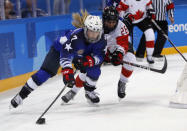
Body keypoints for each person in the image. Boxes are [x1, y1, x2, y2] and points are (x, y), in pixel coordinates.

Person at [10, 14, 106, 108]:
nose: (94, 35)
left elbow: (100, 56)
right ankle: (21, 95)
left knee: (94, 69)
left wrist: (88, 61)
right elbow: (65, 56)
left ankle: (89, 91)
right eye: (91, 31)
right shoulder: (75, 37)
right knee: (44, 73)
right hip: (59, 50)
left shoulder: (102, 39)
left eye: (96, 32)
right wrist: (67, 71)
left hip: (80, 53)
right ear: (85, 29)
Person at [61, 6, 135, 103]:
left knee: (131, 59)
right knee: (87, 69)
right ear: (104, 19)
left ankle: (123, 82)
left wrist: (119, 53)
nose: (111, 24)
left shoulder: (121, 27)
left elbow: (124, 43)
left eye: (114, 22)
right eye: (109, 22)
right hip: (99, 49)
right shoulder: (96, 26)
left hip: (114, 48)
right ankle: (74, 91)